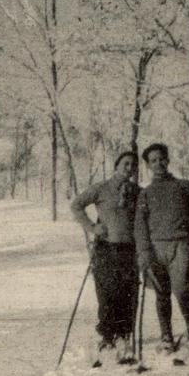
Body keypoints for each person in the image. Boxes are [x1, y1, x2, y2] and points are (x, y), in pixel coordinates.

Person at [134, 143, 189, 356]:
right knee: (161, 294)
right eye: (153, 161)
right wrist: (143, 252)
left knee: (181, 290)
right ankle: (166, 336)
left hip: (180, 245)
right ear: (148, 165)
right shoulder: (145, 193)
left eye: (161, 159)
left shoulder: (182, 185)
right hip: (155, 248)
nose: (158, 163)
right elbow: (140, 224)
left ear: (168, 160)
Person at [71, 151, 140, 363]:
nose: (129, 168)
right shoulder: (101, 188)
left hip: (130, 249)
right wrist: (92, 227)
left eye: (133, 165)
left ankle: (123, 334)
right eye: (125, 164)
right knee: (107, 291)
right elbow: (76, 205)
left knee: (128, 293)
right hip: (106, 248)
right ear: (116, 165)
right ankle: (107, 336)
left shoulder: (138, 191)